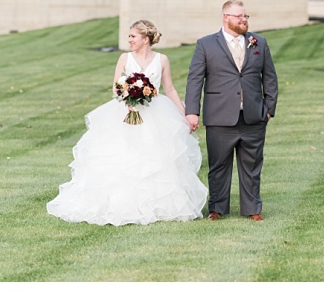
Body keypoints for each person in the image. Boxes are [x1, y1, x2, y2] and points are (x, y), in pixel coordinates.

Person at [48, 20, 208, 225]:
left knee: (157, 158)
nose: (129, 40)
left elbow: (170, 89)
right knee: (124, 156)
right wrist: (128, 96)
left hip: (156, 113)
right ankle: (121, 204)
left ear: (145, 38)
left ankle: (159, 205)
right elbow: (116, 87)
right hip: (126, 112)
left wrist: (185, 113)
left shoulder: (162, 60)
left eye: (133, 36)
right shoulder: (124, 58)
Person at [185, 0, 279, 221]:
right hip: (219, 115)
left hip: (253, 116)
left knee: (252, 166)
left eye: (245, 16)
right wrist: (192, 111)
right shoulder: (206, 44)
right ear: (225, 17)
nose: (244, 20)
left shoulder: (259, 43)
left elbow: (270, 78)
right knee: (218, 166)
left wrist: (269, 109)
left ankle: (253, 208)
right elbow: (195, 79)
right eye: (239, 16)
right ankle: (217, 208)